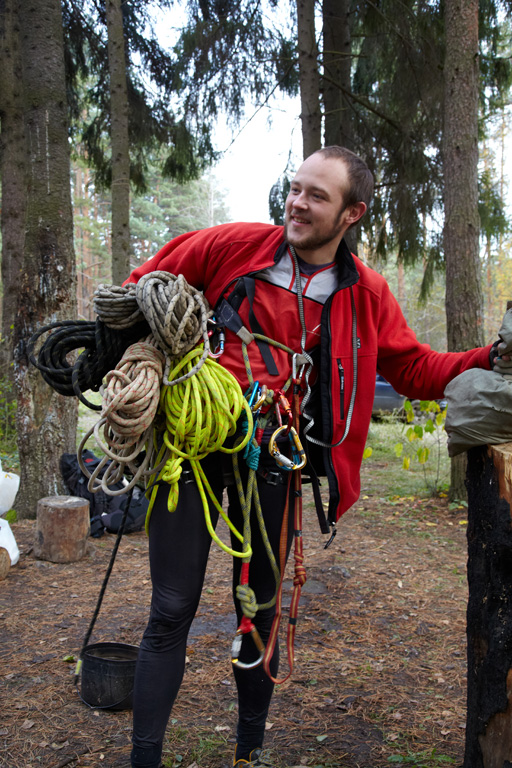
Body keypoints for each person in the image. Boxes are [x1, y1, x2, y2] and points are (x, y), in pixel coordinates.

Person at [124, 146, 496, 768]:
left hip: (272, 456)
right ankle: (144, 759)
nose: (296, 202)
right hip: (187, 448)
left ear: (352, 213)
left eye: (316, 195)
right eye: (295, 188)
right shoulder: (232, 245)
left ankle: (250, 750)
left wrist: (488, 358)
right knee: (171, 608)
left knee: (262, 612)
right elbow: (142, 288)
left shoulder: (365, 293)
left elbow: (412, 368)